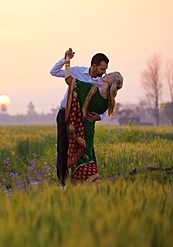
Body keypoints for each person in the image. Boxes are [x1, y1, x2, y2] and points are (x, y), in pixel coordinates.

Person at [50, 48, 123, 185]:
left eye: (106, 70)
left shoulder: (102, 82)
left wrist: (100, 116)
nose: (104, 73)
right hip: (65, 113)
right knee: (63, 148)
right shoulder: (78, 71)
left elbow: (107, 100)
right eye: (102, 69)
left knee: (86, 149)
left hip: (82, 120)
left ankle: (87, 179)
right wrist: (66, 60)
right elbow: (53, 72)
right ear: (94, 66)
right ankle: (63, 183)